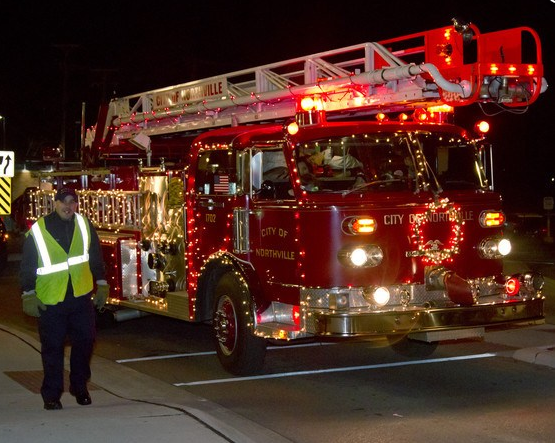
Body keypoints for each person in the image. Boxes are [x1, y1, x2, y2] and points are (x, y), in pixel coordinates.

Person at [19, 187, 109, 410]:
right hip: (50, 299)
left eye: (72, 202)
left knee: (85, 341)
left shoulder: (84, 225)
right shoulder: (39, 230)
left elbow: (95, 255)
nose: (68, 206)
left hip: (80, 295)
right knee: (53, 348)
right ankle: (51, 394)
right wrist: (28, 293)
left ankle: (79, 387)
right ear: (55, 203)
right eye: (63, 202)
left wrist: (101, 283)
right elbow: (28, 264)